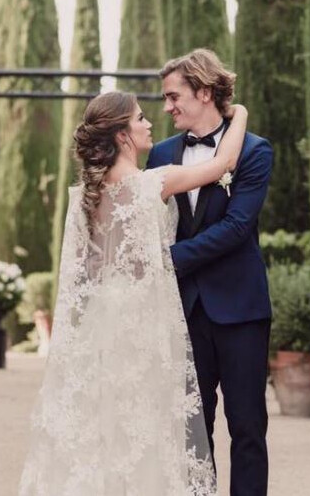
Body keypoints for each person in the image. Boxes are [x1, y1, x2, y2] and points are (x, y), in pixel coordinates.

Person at [18, 91, 248, 495]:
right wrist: (240, 112)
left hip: (101, 321)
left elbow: (85, 273)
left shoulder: (83, 198)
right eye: (140, 119)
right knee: (147, 424)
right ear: (123, 135)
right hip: (145, 317)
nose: (148, 124)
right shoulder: (154, 183)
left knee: (103, 428)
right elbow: (224, 163)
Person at [146, 48, 273, 496]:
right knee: (190, 433)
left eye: (173, 96)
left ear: (203, 92)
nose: (167, 107)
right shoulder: (161, 154)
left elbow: (238, 227)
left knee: (248, 429)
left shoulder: (256, 151)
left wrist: (169, 260)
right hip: (183, 311)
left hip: (241, 310)